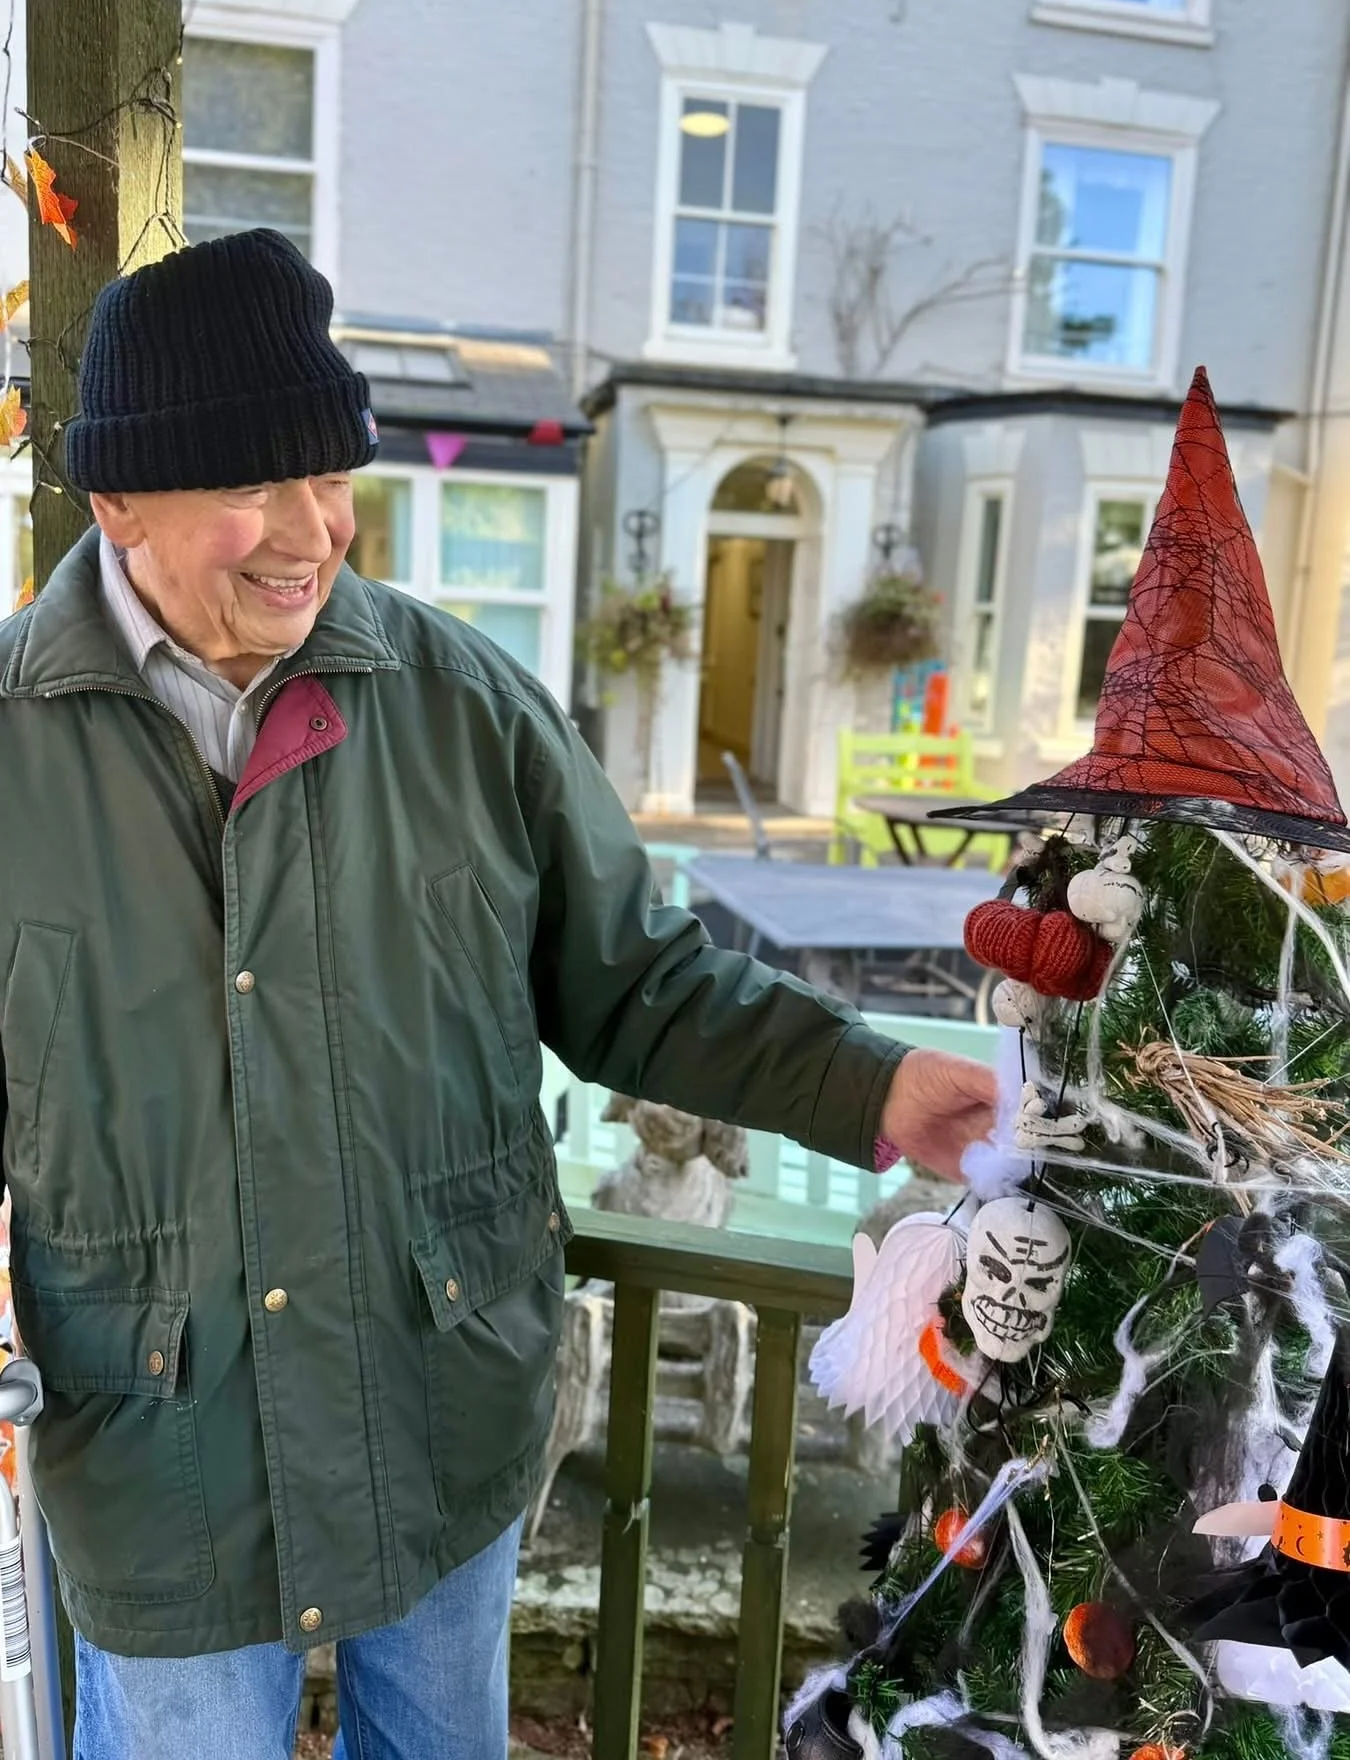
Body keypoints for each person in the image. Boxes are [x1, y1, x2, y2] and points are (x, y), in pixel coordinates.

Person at [0, 229, 996, 1760]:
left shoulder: (464, 705)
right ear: (118, 496)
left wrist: (871, 1085)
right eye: (253, 483)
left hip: (435, 1402)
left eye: (333, 477)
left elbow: (639, 981)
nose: (310, 529)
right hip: (160, 1453)